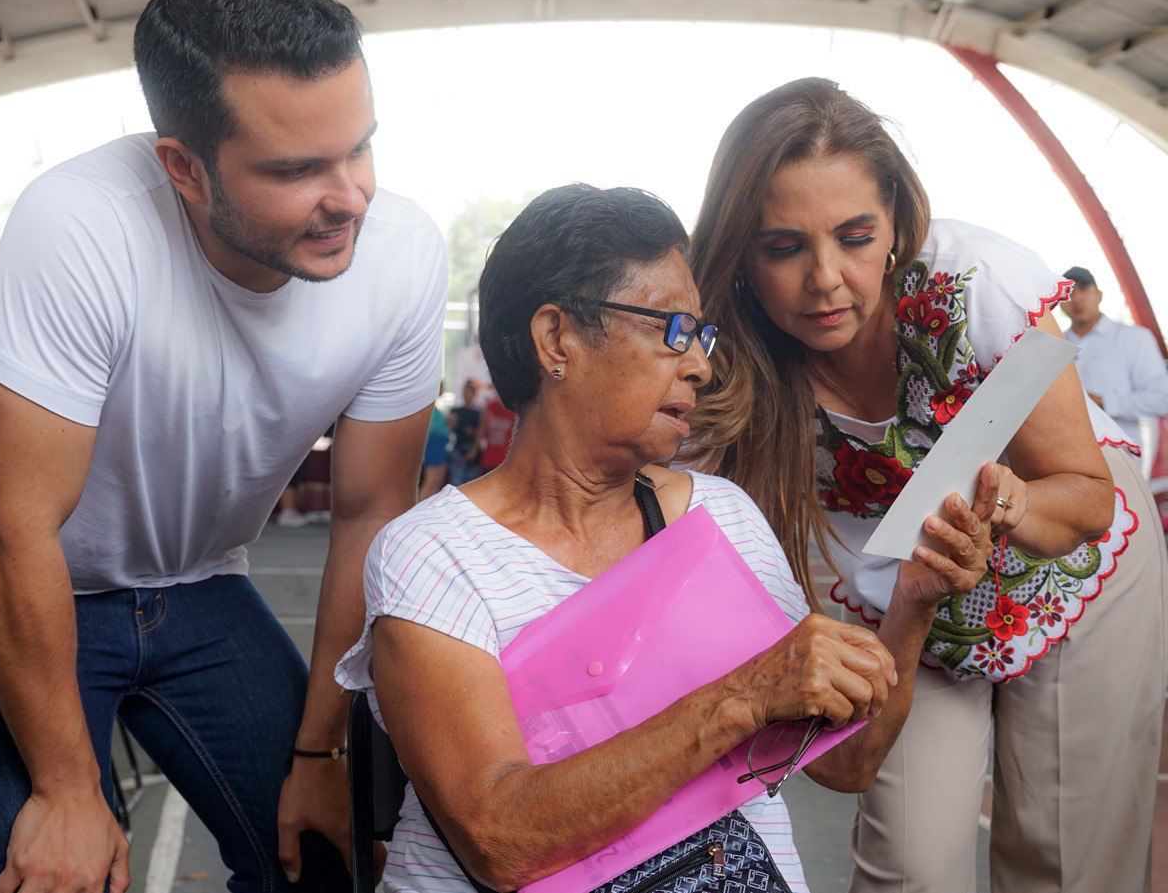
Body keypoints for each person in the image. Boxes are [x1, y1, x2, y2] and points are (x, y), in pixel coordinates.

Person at [0, 0, 447, 891]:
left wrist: (320, 753)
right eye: (295, 169)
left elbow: (369, 513)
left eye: (360, 148)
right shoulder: (82, 224)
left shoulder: (402, 255)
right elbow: (11, 525)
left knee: (330, 860)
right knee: (63, 874)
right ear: (184, 168)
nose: (352, 195)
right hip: (9, 578)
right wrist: (67, 789)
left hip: (196, 579)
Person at [334, 184, 995, 893]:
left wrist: (913, 603)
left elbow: (844, 763)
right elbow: (500, 840)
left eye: (702, 337)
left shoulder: (721, 517)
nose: (700, 366)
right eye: (674, 330)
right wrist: (741, 699)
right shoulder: (434, 552)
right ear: (557, 339)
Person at [687, 78, 1167, 893]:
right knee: (911, 862)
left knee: (1064, 859)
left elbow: (1086, 496)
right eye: (783, 247)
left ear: (896, 222)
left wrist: (1009, 504)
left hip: (1075, 561)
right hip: (911, 598)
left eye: (854, 236)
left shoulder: (976, 282)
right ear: (741, 253)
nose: (826, 278)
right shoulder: (728, 370)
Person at [1060, 265, 1168, 456]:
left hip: (1119, 454)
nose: (1076, 298)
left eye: (1083, 289)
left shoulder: (1134, 337)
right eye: (1068, 293)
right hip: (1066, 453)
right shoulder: (1056, 344)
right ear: (1059, 304)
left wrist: (1104, 402)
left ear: (1099, 295)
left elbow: (1162, 399)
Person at [446, 379, 482, 486]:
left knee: (471, 484)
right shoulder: (455, 411)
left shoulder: (479, 413)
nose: (466, 394)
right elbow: (450, 429)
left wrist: (474, 449)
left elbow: (481, 432)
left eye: (468, 391)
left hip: (472, 450)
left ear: (474, 393)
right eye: (465, 391)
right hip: (458, 450)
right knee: (456, 483)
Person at [419, 389, 450, 500]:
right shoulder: (427, 409)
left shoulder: (435, 409)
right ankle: (419, 509)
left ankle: (425, 508)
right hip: (434, 445)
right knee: (429, 484)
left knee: (436, 485)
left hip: (440, 446)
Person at [476, 390, 514, 472]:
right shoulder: (490, 407)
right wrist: (475, 449)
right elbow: (481, 430)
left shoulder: (513, 410)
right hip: (489, 458)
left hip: (505, 460)